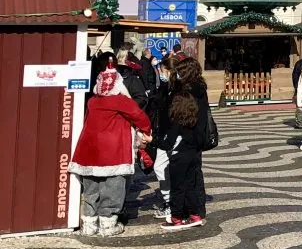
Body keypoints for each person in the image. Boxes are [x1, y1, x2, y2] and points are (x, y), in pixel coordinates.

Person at [69, 61, 152, 237]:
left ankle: (89, 223)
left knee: (91, 187)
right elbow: (140, 117)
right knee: (113, 186)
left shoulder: (93, 101)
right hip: (113, 150)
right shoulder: (120, 101)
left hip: (89, 149)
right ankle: (108, 222)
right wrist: (145, 131)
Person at [154, 56, 210, 225]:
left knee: (180, 181)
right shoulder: (199, 88)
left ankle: (177, 215)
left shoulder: (187, 93)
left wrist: (156, 140)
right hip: (194, 141)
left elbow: (178, 121)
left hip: (184, 140)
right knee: (192, 179)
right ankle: (195, 213)